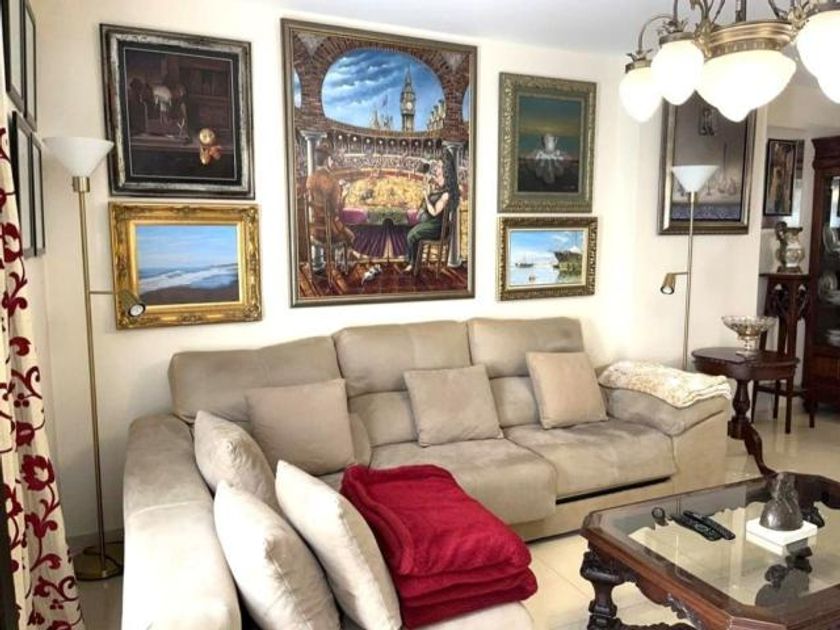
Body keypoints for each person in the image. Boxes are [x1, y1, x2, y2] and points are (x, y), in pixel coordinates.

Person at [404, 149, 460, 274]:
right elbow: (437, 184)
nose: (436, 169)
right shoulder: (441, 187)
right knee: (410, 231)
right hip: (432, 223)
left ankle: (412, 263)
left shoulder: (446, 194)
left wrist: (426, 197)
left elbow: (434, 212)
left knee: (411, 235)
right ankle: (413, 262)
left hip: (437, 228)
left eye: (439, 166)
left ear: (445, 170)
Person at [306, 145, 355, 272]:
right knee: (350, 236)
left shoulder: (310, 179)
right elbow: (336, 209)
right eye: (330, 159)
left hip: (315, 230)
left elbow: (314, 199)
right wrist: (344, 194)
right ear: (327, 160)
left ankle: (339, 261)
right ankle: (342, 265)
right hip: (329, 230)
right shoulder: (332, 181)